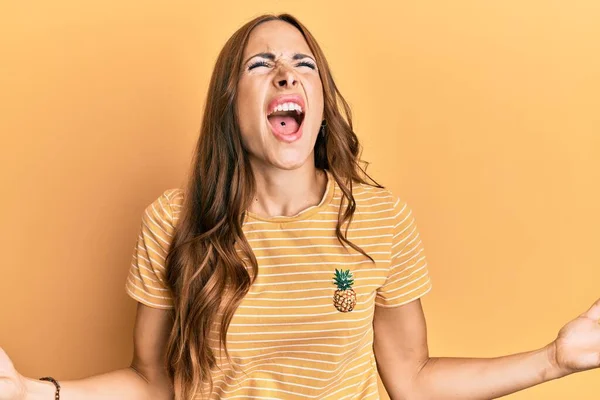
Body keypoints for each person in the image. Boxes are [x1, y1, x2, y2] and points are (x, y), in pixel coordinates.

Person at [1, 13, 599, 400]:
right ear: (230, 104)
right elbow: (151, 380)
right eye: (262, 64)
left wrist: (553, 360)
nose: (287, 74)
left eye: (303, 64)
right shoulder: (174, 220)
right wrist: (33, 393)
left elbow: (412, 379)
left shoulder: (381, 218)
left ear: (317, 101)